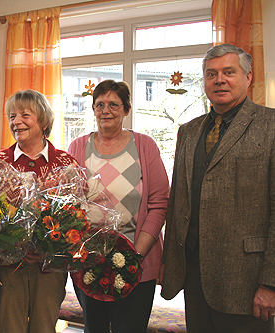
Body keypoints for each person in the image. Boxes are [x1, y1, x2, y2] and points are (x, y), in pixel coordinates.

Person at [161, 44, 275, 332]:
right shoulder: (188, 130)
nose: (219, 80)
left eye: (228, 72)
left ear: (248, 77)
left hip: (246, 282)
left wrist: (271, 282)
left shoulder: (270, 125)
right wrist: (169, 263)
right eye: (211, 74)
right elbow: (178, 202)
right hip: (194, 277)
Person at [68, 79, 169, 333]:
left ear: (126, 110)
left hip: (137, 264)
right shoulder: (78, 147)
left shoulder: (145, 146)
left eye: (114, 104)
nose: (106, 110)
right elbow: (69, 204)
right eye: (99, 104)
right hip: (89, 264)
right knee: (95, 329)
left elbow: (159, 203)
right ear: (93, 109)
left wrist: (135, 254)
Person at [0, 89, 80, 333]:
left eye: (25, 115)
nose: (16, 121)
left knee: (44, 329)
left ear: (44, 120)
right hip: (7, 267)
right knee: (10, 329)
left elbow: (78, 218)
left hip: (49, 269)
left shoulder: (66, 163)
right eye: (12, 116)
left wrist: (48, 252)